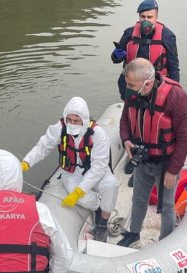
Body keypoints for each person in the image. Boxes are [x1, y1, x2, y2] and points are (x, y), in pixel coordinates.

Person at [116, 58, 187, 247]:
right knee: (138, 199)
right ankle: (133, 233)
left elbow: (185, 137)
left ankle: (165, 241)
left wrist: (173, 170)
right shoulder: (133, 94)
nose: (128, 88)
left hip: (165, 163)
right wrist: (126, 139)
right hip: (142, 160)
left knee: (166, 205)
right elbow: (125, 119)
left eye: (131, 85)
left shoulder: (176, 97)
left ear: (148, 83)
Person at [21, 97, 117, 242]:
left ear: (84, 119)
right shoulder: (59, 128)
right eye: (69, 119)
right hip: (71, 173)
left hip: (95, 171)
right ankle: (98, 207)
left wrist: (81, 189)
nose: (72, 124)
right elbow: (43, 147)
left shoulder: (97, 134)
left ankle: (102, 224)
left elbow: (98, 167)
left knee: (111, 184)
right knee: (81, 197)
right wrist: (26, 162)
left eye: (76, 120)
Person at [111, 0, 180, 101]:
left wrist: (175, 90)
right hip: (132, 85)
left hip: (156, 84)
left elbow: (174, 66)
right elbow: (115, 59)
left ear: (156, 17)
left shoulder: (168, 36)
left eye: (149, 17)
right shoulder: (129, 34)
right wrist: (116, 55)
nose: (145, 20)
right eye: (143, 17)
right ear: (139, 17)